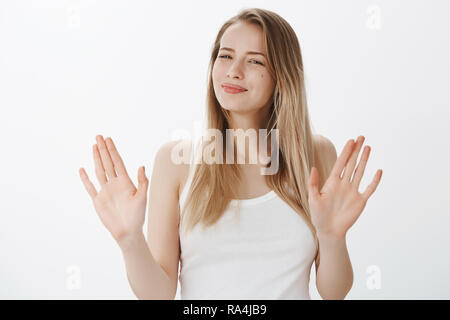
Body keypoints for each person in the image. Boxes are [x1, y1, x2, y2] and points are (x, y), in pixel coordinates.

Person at [79, 8, 382, 300]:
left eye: (255, 62)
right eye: (225, 56)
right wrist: (129, 239)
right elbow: (159, 294)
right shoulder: (176, 162)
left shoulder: (315, 154)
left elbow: (335, 292)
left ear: (282, 76)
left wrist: (332, 238)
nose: (233, 72)